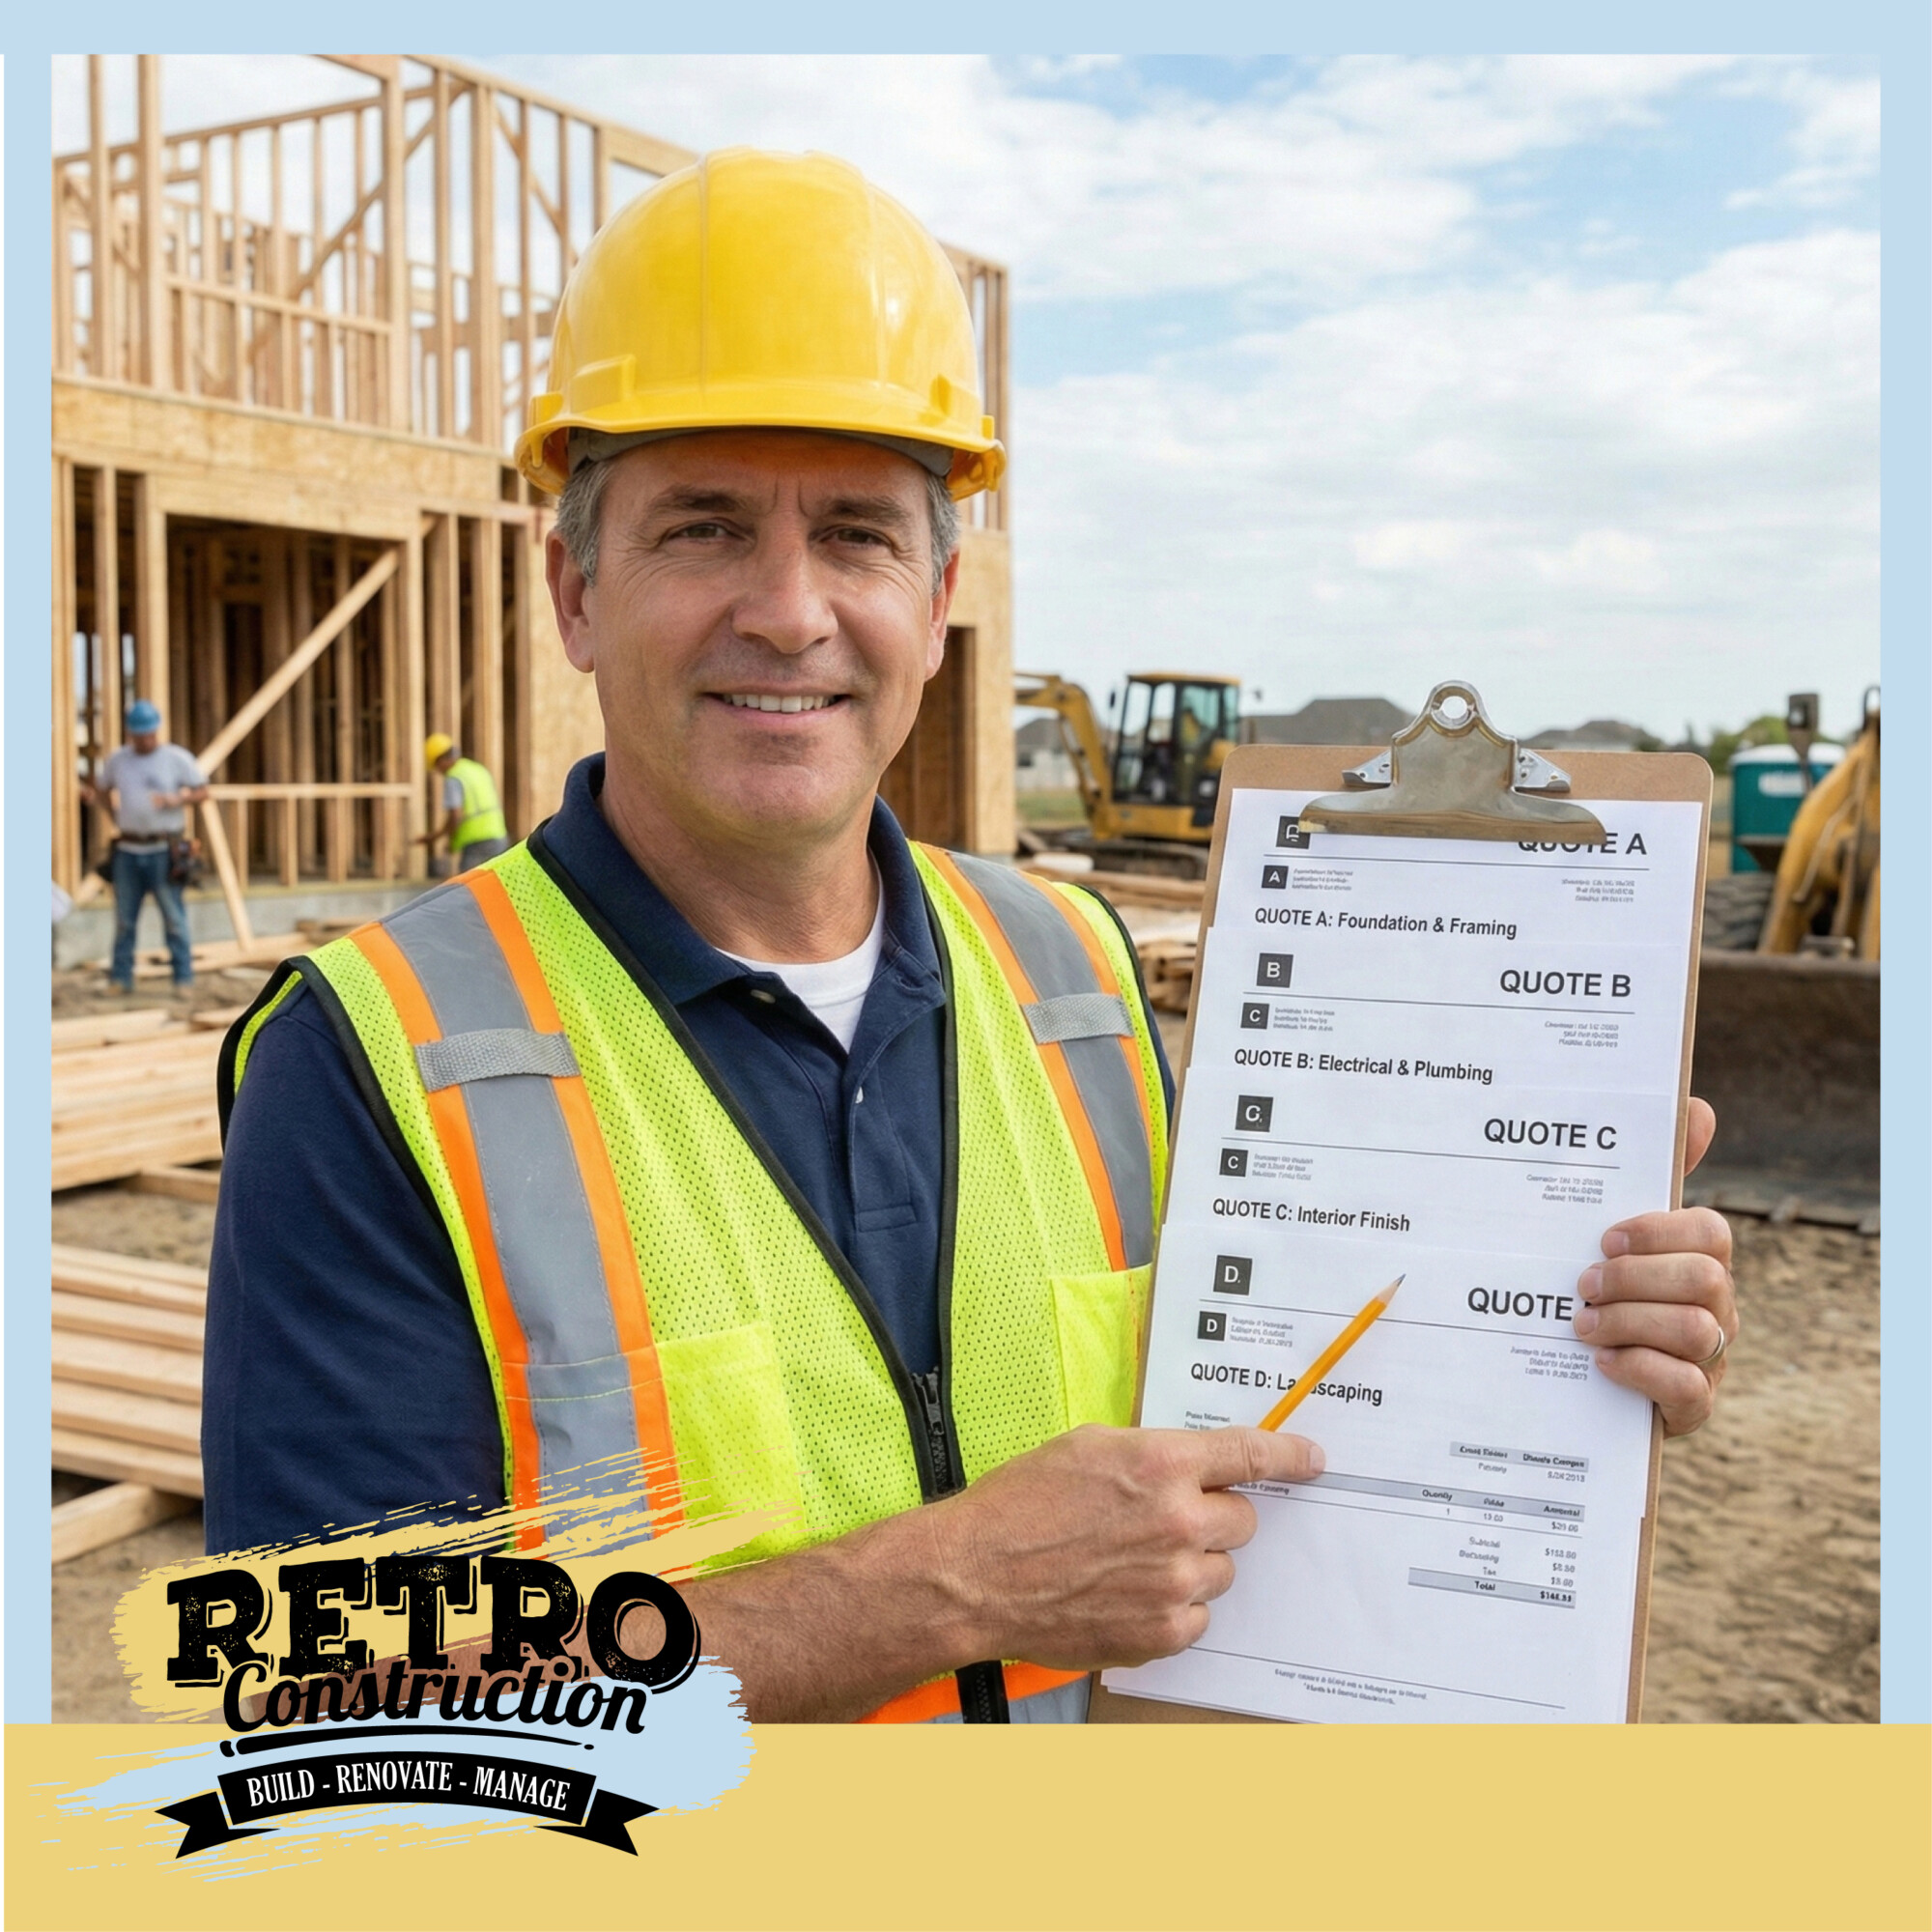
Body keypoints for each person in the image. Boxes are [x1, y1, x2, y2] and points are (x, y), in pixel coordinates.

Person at [205, 151, 1738, 1723]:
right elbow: (342, 1709)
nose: (790, 610)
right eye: (707, 529)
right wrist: (951, 1589)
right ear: (577, 591)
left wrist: (1552, 1334)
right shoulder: (377, 1061)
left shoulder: (1074, 976)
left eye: (858, 535)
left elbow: (1272, 1420)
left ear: (937, 601)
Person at [80, 699, 209, 993]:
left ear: (156, 730)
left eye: (149, 734)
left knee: (174, 918)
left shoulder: (176, 758)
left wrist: (176, 800)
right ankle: (121, 979)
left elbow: (203, 791)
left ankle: (183, 979)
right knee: (125, 920)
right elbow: (102, 789)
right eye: (139, 735)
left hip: (164, 850)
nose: (144, 740)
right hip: (128, 850)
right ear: (130, 734)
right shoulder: (118, 760)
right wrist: (112, 814)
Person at [414, 733, 509, 870]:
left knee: (467, 889)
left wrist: (445, 839)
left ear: (441, 759)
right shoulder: (477, 769)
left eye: (436, 765)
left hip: (477, 843)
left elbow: (455, 816)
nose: (438, 771)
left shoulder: (454, 777)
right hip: (498, 837)